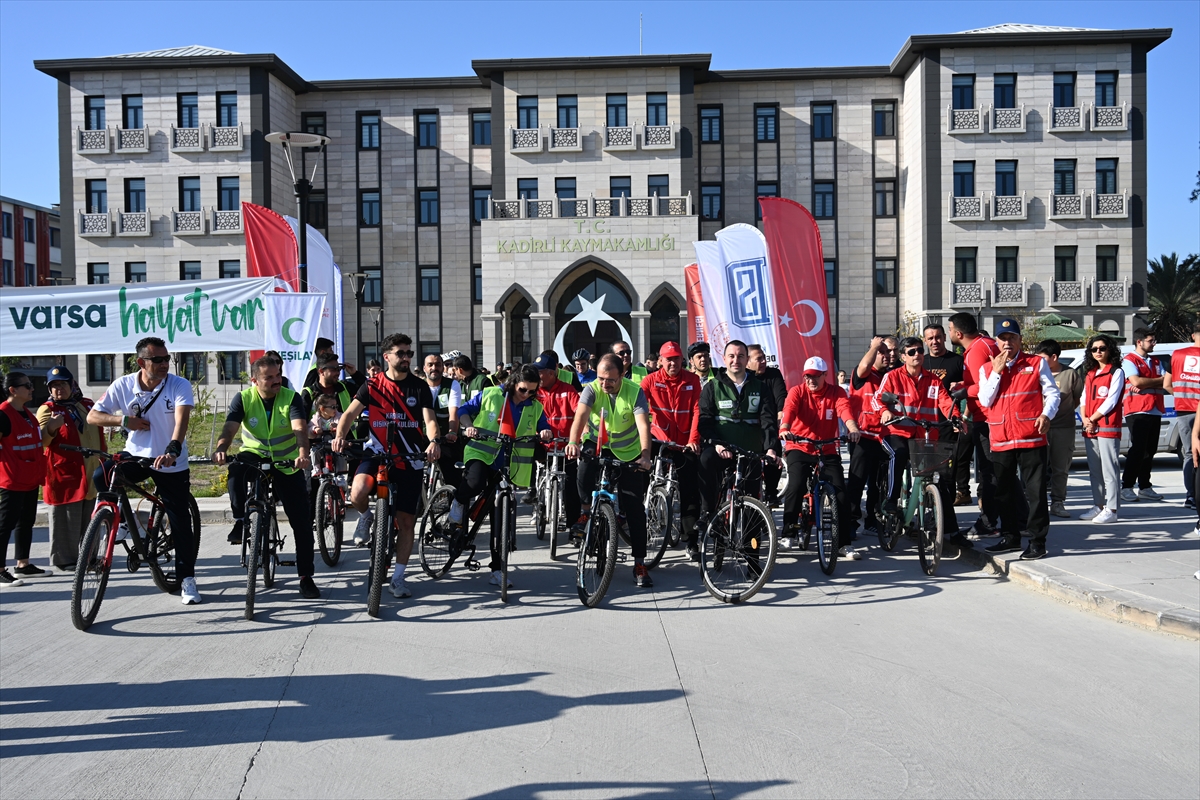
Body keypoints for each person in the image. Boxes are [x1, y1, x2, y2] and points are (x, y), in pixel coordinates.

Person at [88, 337, 200, 604]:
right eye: (158, 360)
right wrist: (123, 419)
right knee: (101, 475)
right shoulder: (124, 385)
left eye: (166, 358)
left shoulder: (178, 384)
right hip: (137, 455)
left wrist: (173, 448)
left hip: (170, 460)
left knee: (180, 520)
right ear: (141, 362)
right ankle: (124, 523)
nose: (165, 364)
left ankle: (187, 579)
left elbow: (182, 419)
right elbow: (93, 416)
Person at [333, 333, 440, 599]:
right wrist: (339, 436)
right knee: (357, 493)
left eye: (409, 353)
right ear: (387, 356)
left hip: (409, 457)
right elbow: (349, 414)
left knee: (406, 522)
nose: (406, 358)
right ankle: (367, 517)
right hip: (377, 453)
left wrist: (433, 441)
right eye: (401, 353)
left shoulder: (419, 387)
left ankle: (399, 577)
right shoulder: (372, 385)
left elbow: (429, 420)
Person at [212, 357, 320, 599]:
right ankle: (241, 520)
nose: (276, 381)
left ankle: (306, 577)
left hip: (287, 462)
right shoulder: (244, 398)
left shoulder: (290, 397)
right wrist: (221, 447)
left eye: (278, 375)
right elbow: (230, 427)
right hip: (255, 454)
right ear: (254, 380)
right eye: (268, 377)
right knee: (236, 472)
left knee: (302, 522)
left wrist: (303, 454)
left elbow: (299, 428)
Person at [450, 365, 552, 588]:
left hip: (509, 463)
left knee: (501, 517)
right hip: (481, 452)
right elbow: (462, 411)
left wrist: (546, 432)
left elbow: (545, 426)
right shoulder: (491, 394)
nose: (527, 395)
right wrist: (468, 427)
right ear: (514, 382)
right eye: (523, 389)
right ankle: (458, 501)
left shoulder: (535, 406)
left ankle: (497, 570)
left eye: (532, 391)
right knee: (474, 483)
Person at [566, 353, 655, 588]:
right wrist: (573, 442)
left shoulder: (634, 392)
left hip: (629, 452)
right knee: (583, 470)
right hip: (598, 445)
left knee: (635, 507)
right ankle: (586, 510)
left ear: (622, 375)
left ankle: (639, 562)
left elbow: (643, 426)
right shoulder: (592, 389)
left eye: (611, 380)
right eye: (601, 378)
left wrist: (645, 456)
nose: (605, 383)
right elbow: (580, 416)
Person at [977, 318, 1060, 559]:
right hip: (1001, 437)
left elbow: (1052, 393)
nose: (1007, 343)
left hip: (1031, 436)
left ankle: (1037, 540)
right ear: (996, 341)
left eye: (1012, 337)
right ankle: (1011, 536)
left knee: (1035, 492)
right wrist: (997, 372)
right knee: (1003, 491)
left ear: (1020, 340)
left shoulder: (1035, 363)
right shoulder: (986, 369)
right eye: (1002, 339)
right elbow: (985, 400)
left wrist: (1046, 414)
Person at [874, 337, 961, 537]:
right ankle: (891, 500)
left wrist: (956, 418)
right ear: (903, 356)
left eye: (920, 351)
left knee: (938, 477)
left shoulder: (933, 380)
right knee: (900, 453)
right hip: (896, 433)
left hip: (925, 436)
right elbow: (877, 399)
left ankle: (951, 530)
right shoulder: (893, 376)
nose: (917, 355)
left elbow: (945, 401)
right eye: (911, 352)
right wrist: (884, 412)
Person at [780, 356, 862, 559]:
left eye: (816, 376)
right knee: (797, 484)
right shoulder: (797, 391)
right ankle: (788, 531)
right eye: (808, 376)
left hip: (827, 446)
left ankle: (844, 543)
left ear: (826, 375)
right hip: (799, 445)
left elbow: (845, 411)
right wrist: (784, 428)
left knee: (840, 492)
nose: (811, 381)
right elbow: (789, 410)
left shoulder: (837, 392)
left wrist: (852, 429)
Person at [698, 341, 780, 535]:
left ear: (747, 360)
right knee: (705, 461)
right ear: (724, 359)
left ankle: (753, 559)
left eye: (741, 356)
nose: (736, 360)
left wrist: (770, 448)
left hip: (750, 451)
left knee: (752, 505)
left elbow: (768, 420)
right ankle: (708, 513)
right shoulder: (713, 386)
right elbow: (705, 421)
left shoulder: (760, 387)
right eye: (732, 356)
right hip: (722, 449)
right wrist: (717, 444)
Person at [948, 311, 1014, 537]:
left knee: (989, 472)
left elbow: (984, 386)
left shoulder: (976, 350)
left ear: (958, 332)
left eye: (949, 330)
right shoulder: (983, 345)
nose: (949, 334)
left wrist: (964, 390)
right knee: (999, 471)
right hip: (985, 416)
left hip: (988, 419)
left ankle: (989, 522)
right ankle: (1021, 519)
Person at [36, 366, 104, 572]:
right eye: (54, 386)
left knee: (89, 517)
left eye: (63, 384)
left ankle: (89, 557)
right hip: (63, 472)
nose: (59, 389)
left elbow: (98, 434)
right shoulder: (47, 409)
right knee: (65, 517)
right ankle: (65, 560)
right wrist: (51, 428)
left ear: (72, 384)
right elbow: (42, 442)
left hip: (90, 469)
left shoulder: (86, 405)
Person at [640, 341, 703, 560]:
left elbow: (697, 411)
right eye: (668, 359)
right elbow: (639, 409)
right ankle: (642, 526)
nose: (673, 363)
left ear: (682, 360)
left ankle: (691, 540)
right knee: (642, 477)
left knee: (690, 489)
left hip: (684, 442)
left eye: (676, 358)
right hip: (659, 439)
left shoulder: (692, 380)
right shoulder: (650, 381)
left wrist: (694, 439)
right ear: (660, 361)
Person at [1, 372, 61, 584]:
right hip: (11, 479)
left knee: (25, 522)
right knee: (5, 524)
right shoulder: (3, 415)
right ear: (13, 390)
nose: (31, 389)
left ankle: (23, 565)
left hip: (29, 477)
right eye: (27, 386)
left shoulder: (27, 413)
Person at [532, 351, 582, 534]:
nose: (536, 375)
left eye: (539, 372)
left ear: (551, 373)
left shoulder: (568, 390)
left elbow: (580, 414)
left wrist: (579, 438)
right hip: (542, 446)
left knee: (571, 485)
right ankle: (537, 499)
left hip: (565, 447)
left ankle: (573, 525)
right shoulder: (534, 392)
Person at [923, 323, 972, 507]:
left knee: (948, 470)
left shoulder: (958, 361)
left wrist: (961, 385)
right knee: (927, 469)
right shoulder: (921, 361)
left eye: (938, 337)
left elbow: (971, 385)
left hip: (949, 423)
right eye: (930, 338)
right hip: (925, 424)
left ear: (944, 337)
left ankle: (947, 508)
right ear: (925, 341)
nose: (934, 341)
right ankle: (929, 505)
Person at [846, 336, 890, 535]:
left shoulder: (892, 376)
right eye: (882, 352)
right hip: (861, 436)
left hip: (884, 436)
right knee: (857, 481)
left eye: (890, 352)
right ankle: (852, 522)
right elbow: (864, 365)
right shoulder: (863, 373)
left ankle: (872, 518)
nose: (887, 355)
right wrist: (874, 346)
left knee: (878, 483)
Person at [1035, 340, 1084, 519]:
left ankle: (1058, 502)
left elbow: (1077, 398)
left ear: (1054, 357)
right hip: (1040, 428)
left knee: (1061, 467)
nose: (1038, 361)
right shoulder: (1036, 374)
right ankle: (1036, 503)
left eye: (1042, 358)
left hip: (1064, 428)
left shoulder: (1070, 374)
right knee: (1038, 467)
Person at [1079, 334, 1124, 524]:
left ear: (1110, 350)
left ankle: (1111, 509)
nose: (1098, 352)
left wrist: (1093, 418)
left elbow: (1111, 401)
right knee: (1095, 469)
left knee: (1109, 469)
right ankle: (1098, 505)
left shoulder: (1116, 372)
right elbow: (1083, 399)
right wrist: (1085, 418)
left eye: (1102, 348)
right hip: (1090, 426)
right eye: (1094, 349)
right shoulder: (1090, 373)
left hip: (1107, 426)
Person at [1120, 328, 1166, 503]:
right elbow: (1136, 381)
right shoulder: (1129, 360)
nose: (1154, 343)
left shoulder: (1155, 361)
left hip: (1155, 408)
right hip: (1138, 410)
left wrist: (1147, 383)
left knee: (1150, 450)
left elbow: (1166, 381)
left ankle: (1145, 486)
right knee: (1138, 449)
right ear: (1139, 342)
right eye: (1151, 340)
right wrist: (1151, 382)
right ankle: (1127, 486)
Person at [1164, 323, 1200, 508]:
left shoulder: (1177, 355)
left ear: (1193, 335)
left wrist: (1180, 397)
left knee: (1188, 453)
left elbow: (1166, 384)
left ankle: (1191, 496)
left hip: (1184, 411)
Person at [747, 344, 788, 507]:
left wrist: (780, 416)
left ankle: (771, 491)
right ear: (748, 362)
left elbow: (781, 397)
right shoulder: (745, 378)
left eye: (764, 358)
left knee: (774, 451)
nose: (763, 361)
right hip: (749, 427)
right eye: (759, 359)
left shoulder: (773, 374)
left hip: (770, 424)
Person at [422, 352, 463, 489]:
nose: (434, 368)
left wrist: (452, 432)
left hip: (445, 436)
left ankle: (456, 504)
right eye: (430, 365)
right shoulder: (419, 386)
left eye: (438, 364)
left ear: (443, 368)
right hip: (422, 435)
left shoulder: (452, 385)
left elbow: (453, 413)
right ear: (424, 368)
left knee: (453, 474)